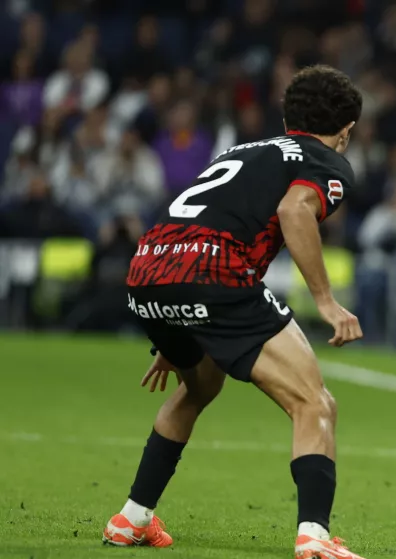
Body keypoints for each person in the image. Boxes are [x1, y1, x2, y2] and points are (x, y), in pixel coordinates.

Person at [102, 65, 368, 559]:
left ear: (288, 117)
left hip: (148, 270)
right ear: (346, 130)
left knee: (200, 384)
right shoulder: (324, 159)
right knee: (314, 402)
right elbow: (294, 212)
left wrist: (171, 326)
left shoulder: (244, 150)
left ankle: (131, 519)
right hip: (213, 273)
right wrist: (327, 302)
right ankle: (314, 538)